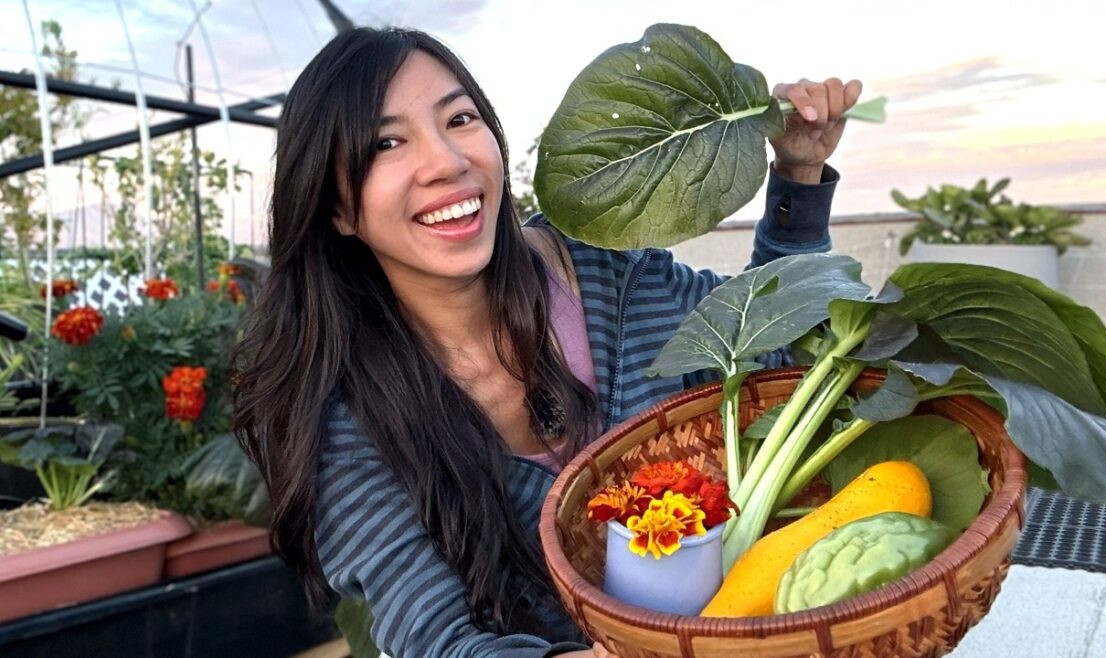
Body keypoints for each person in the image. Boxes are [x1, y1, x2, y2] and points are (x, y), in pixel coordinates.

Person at [232, 26, 861, 658]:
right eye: (388, 142)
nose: (447, 162)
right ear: (338, 209)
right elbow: (435, 639)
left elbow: (775, 347)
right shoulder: (349, 421)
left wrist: (799, 178)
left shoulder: (610, 274)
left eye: (459, 118)